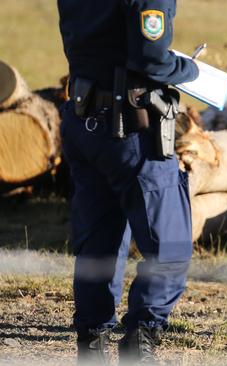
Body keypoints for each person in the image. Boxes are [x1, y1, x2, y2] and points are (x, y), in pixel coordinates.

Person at [57, 0, 198, 364]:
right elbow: (151, 60)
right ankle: (140, 341)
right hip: (129, 130)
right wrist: (190, 69)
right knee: (171, 245)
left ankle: (92, 343)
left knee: (97, 240)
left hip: (83, 119)